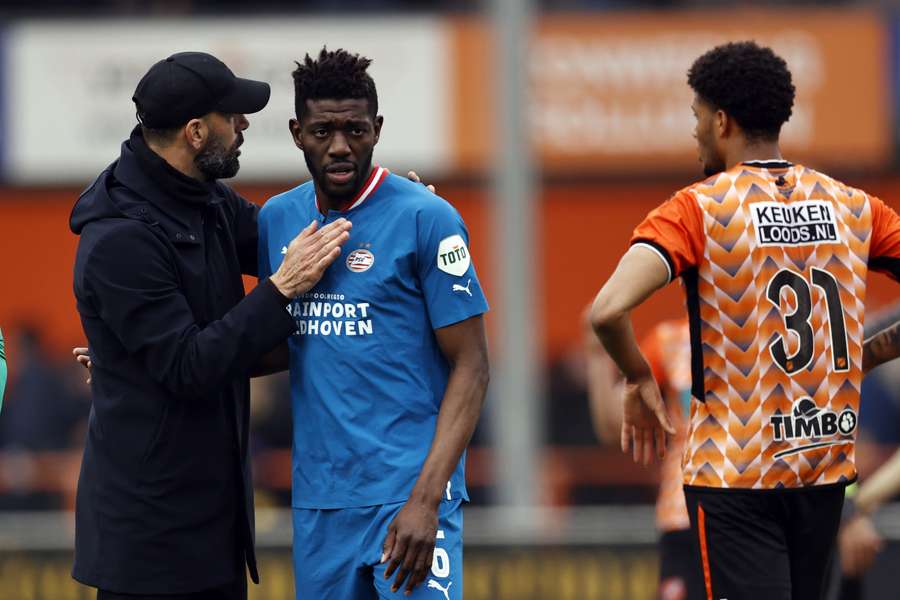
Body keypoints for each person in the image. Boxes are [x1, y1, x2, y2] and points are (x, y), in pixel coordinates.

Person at [589, 41, 900, 600]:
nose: (695, 132)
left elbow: (608, 309)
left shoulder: (699, 208)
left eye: (697, 117)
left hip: (736, 476)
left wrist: (637, 377)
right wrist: (870, 352)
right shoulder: (854, 206)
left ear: (722, 121)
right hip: (822, 470)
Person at [69, 51, 353, 600]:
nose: (244, 125)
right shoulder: (119, 240)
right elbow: (190, 366)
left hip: (212, 533)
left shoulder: (206, 200)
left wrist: (387, 220)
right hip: (151, 550)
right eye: (233, 116)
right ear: (197, 132)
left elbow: (301, 243)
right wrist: (280, 288)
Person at [256, 47, 490, 599]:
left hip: (407, 496)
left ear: (377, 129)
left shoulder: (426, 218)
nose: (339, 146)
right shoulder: (277, 221)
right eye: (322, 131)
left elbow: (473, 366)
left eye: (355, 130)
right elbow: (268, 345)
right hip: (321, 503)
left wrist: (426, 500)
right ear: (295, 132)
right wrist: (145, 357)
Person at [586, 317, 703, 600]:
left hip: (759, 508)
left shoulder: (771, 329)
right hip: (684, 517)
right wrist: (599, 356)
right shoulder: (671, 343)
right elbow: (614, 427)